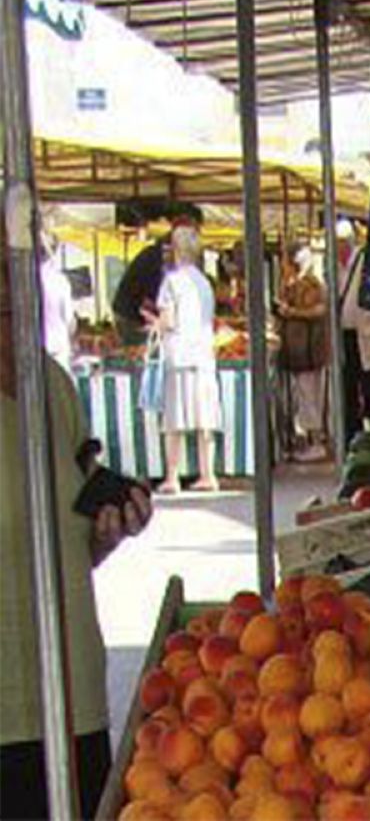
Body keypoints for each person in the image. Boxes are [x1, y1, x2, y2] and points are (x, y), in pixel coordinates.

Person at [2, 220, 153, 820]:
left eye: (19, 274)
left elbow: (66, 544)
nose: (14, 297)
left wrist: (107, 532)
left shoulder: (52, 385)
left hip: (73, 699)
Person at [151, 223, 222, 494]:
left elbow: (168, 321)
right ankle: (208, 474)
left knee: (175, 420)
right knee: (205, 418)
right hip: (204, 353)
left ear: (177, 250)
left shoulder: (171, 281)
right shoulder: (204, 283)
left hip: (179, 354)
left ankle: (172, 476)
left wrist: (155, 323)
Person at [278, 241, 330, 461]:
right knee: (304, 396)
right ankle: (310, 438)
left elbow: (319, 310)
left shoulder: (311, 285)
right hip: (299, 351)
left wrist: (290, 312)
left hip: (308, 350)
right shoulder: (294, 284)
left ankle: (316, 441)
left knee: (310, 396)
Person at [338, 220, 370, 443]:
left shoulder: (363, 258)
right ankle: (351, 436)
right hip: (346, 336)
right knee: (348, 387)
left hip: (366, 334)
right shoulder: (334, 266)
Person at [39, 232, 76, 373]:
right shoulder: (60, 281)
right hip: (57, 347)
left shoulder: (26, 279)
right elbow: (68, 319)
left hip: (40, 348)